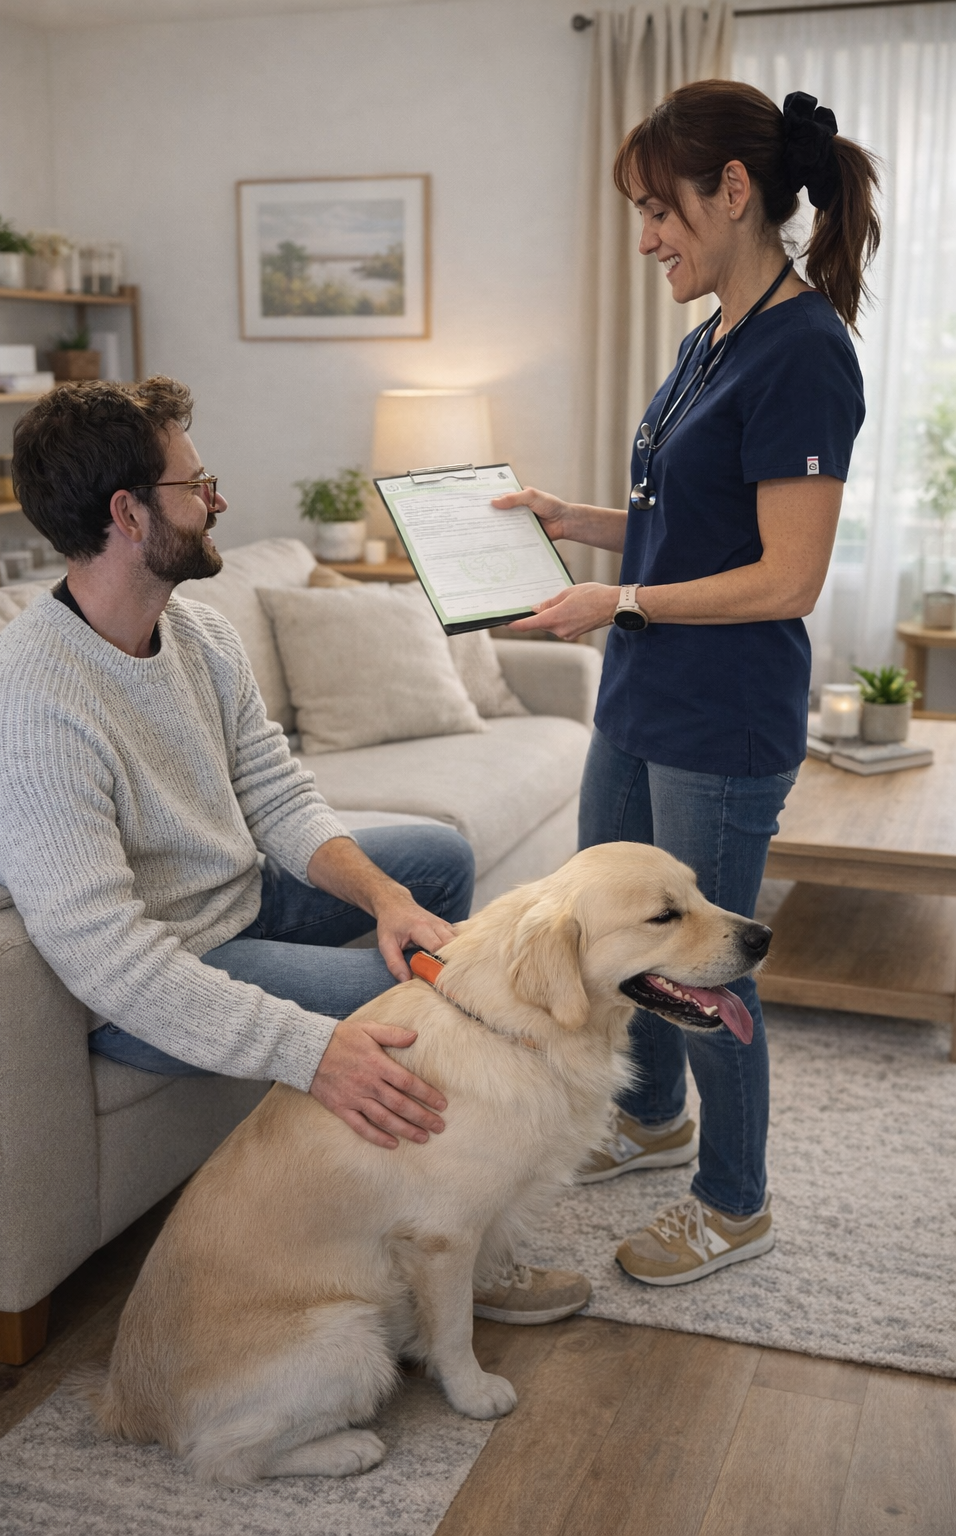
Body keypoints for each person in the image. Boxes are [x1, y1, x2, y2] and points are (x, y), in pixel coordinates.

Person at [0, 377, 590, 1324]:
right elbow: (112, 963)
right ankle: (459, 1253)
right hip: (156, 971)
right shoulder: (30, 708)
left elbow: (276, 794)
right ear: (128, 514)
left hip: (234, 895)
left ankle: (443, 1133)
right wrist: (314, 1049)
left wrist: (382, 900)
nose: (218, 502)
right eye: (195, 485)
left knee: (435, 864)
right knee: (418, 1024)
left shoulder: (193, 631)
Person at [493, 82, 879, 1284]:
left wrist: (619, 600)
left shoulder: (804, 350)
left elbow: (785, 578)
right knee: (622, 941)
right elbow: (684, 532)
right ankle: (651, 1123)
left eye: (661, 210)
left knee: (706, 966)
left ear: (732, 191)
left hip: (719, 720)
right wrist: (575, 523)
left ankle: (732, 1199)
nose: (648, 237)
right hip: (640, 699)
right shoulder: (704, 335)